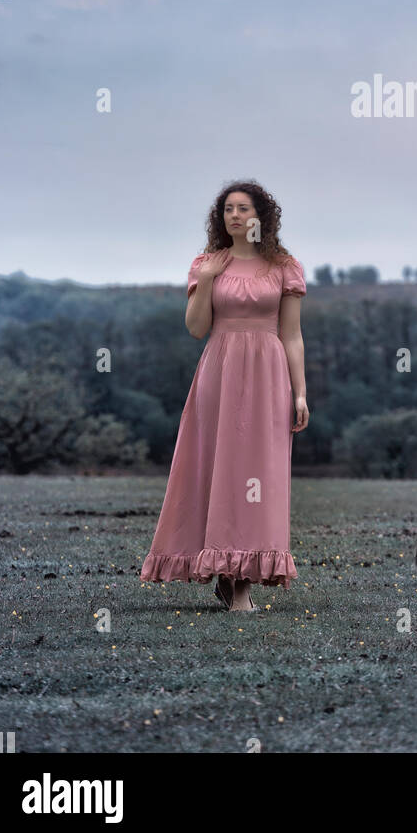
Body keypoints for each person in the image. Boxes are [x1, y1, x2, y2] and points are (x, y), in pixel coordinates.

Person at [140, 179, 309, 612]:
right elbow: (196, 329)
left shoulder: (284, 266)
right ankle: (231, 582)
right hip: (220, 372)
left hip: (269, 375)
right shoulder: (207, 263)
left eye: (244, 208)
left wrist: (300, 392)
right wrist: (210, 278)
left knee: (258, 476)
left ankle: (240, 578)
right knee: (218, 471)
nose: (235, 215)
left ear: (260, 217)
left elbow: (291, 335)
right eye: (228, 209)